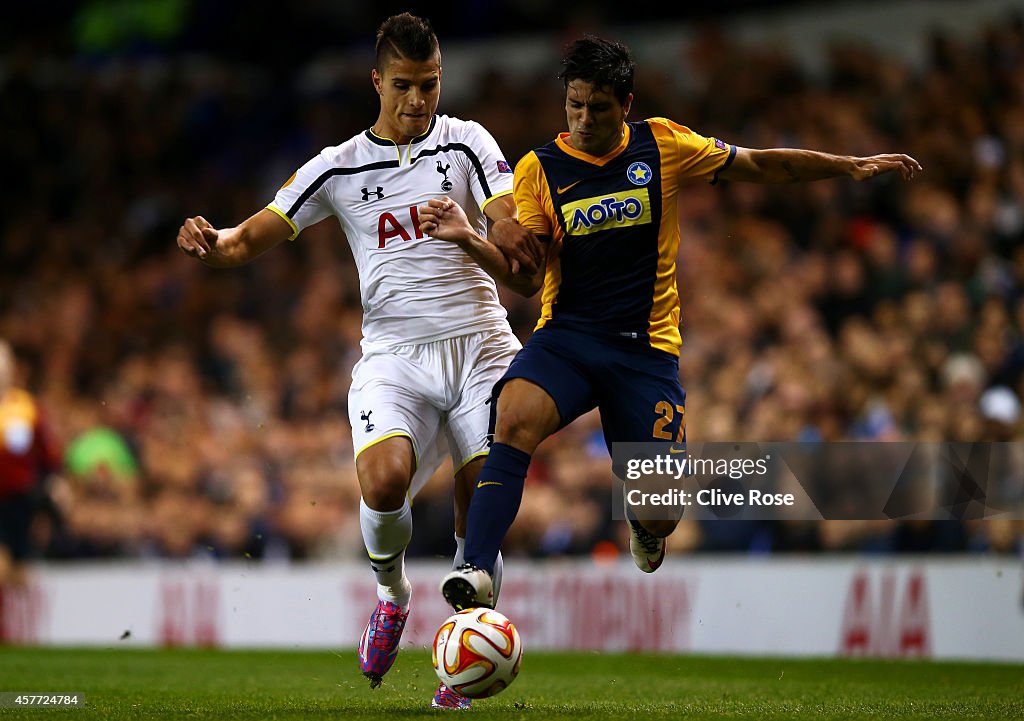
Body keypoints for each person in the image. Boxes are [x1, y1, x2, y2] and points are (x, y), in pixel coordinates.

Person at [419, 35, 922, 611]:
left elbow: (759, 164)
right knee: (511, 419)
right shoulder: (540, 170)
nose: (583, 119)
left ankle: (645, 526)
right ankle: (477, 570)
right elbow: (528, 280)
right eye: (574, 105)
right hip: (568, 340)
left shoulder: (664, 144)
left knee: (661, 510)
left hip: (645, 352)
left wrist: (847, 166)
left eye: (598, 108)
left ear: (625, 104)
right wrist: (468, 239)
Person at [176, 13, 541, 709]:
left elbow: (505, 220)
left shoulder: (466, 143)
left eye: (430, 85)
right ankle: (392, 593)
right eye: (404, 86)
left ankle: (460, 665)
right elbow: (251, 236)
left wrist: (499, 229)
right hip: (394, 355)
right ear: (377, 81)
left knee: (484, 491)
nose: (418, 101)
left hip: (481, 345)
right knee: (382, 480)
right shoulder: (338, 165)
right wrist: (213, 241)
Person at [0, 340, 61, 591]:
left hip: (20, 503)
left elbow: (48, 456)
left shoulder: (26, 408)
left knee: (19, 576)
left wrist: (53, 489)